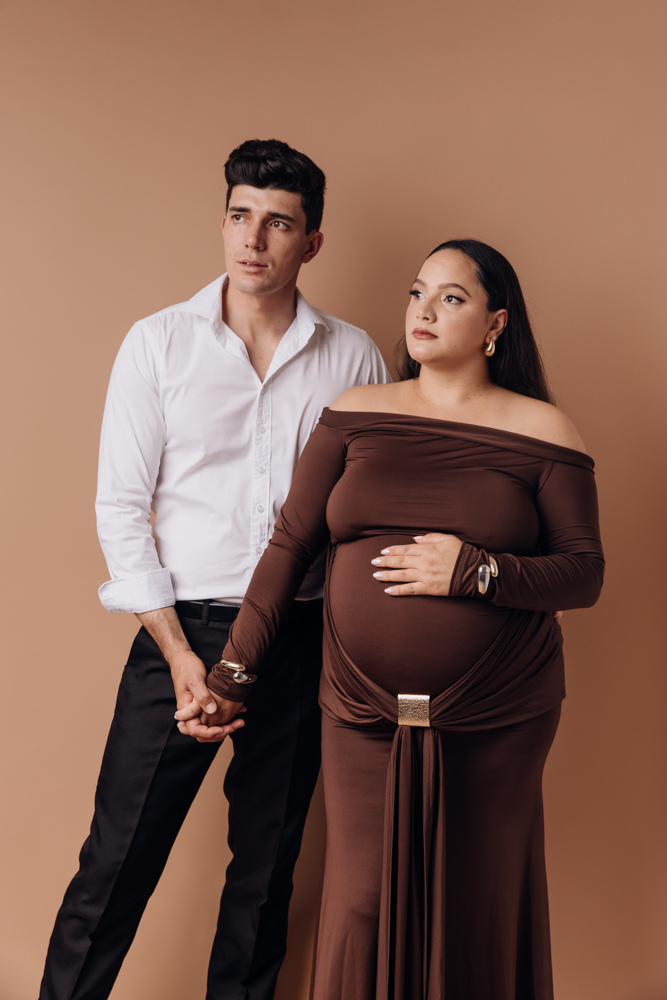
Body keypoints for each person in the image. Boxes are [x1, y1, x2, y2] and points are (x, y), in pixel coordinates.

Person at [178, 239, 605, 1000]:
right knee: (360, 901)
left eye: (451, 298)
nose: (423, 311)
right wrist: (231, 674)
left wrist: (477, 571)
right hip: (360, 706)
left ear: (495, 324)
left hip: (497, 711)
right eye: (417, 293)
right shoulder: (354, 413)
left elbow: (583, 572)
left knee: (473, 904)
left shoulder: (544, 431)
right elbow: (290, 546)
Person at [38, 139, 395, 1000]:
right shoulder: (158, 343)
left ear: (311, 242)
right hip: (184, 634)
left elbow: (368, 514)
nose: (253, 239)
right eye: (239, 216)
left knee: (266, 878)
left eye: (278, 223)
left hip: (301, 640)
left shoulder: (353, 359)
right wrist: (178, 656)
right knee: (115, 864)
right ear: (223, 221)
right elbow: (121, 509)